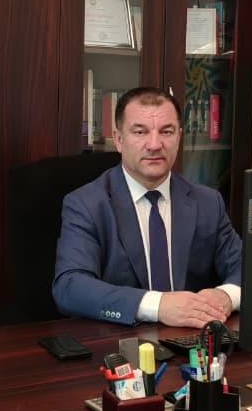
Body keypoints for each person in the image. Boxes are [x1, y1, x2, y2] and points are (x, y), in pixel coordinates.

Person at [52, 86, 241, 327]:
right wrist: (158, 306)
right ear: (119, 140)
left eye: (166, 131)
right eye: (140, 132)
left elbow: (249, 268)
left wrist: (226, 295)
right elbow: (70, 287)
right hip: (120, 342)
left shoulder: (208, 202)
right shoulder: (87, 204)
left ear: (179, 137)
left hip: (191, 340)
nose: (154, 144)